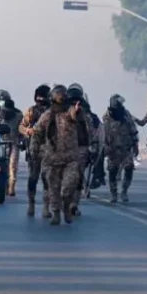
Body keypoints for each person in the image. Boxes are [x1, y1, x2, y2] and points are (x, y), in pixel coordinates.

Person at [29, 85, 81, 226]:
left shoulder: (70, 112)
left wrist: (76, 111)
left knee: (68, 187)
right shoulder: (47, 116)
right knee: (53, 189)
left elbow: (74, 115)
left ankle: (66, 207)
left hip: (70, 159)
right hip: (52, 159)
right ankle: (56, 213)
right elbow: (37, 133)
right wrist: (33, 150)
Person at [20, 84, 51, 218]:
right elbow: (21, 126)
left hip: (49, 150)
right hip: (34, 150)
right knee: (33, 178)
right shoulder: (31, 111)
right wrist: (28, 131)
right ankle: (31, 204)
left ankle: (46, 207)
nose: (40, 100)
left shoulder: (52, 112)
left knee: (47, 179)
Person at [102, 94, 139, 204]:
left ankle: (124, 191)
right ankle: (114, 194)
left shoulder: (125, 114)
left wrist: (135, 145)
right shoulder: (106, 117)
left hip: (126, 148)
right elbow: (103, 133)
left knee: (129, 168)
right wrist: (104, 148)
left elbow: (133, 129)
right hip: (112, 150)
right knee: (112, 171)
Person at [65, 83, 94, 216]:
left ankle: (73, 204)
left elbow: (92, 131)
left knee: (78, 178)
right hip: (65, 148)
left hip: (81, 148)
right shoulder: (61, 111)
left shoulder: (86, 113)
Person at [0, 90, 23, 197]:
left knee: (13, 166)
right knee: (2, 166)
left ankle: (11, 187)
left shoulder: (18, 114)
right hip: (1, 142)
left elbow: (21, 128)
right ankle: (3, 186)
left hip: (14, 142)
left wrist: (23, 140)